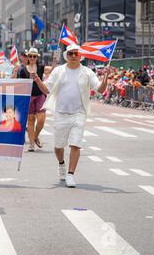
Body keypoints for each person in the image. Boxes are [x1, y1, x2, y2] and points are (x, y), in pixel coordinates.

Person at [34, 44, 110, 188]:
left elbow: (99, 89)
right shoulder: (59, 71)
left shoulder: (87, 72)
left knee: (75, 144)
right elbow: (47, 88)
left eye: (76, 53)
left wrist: (105, 79)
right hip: (61, 113)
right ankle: (61, 164)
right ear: (67, 56)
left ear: (80, 56)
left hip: (79, 113)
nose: (73, 56)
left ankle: (70, 174)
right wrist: (38, 80)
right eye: (71, 54)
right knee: (58, 146)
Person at [17, 48, 46, 151]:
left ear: (37, 57)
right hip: (28, 96)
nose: (32, 58)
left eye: (34, 56)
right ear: (27, 57)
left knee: (41, 119)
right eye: (30, 56)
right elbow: (20, 85)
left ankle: (35, 136)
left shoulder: (41, 67)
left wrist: (55, 61)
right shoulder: (23, 69)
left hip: (40, 94)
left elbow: (52, 72)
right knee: (30, 120)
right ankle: (31, 144)